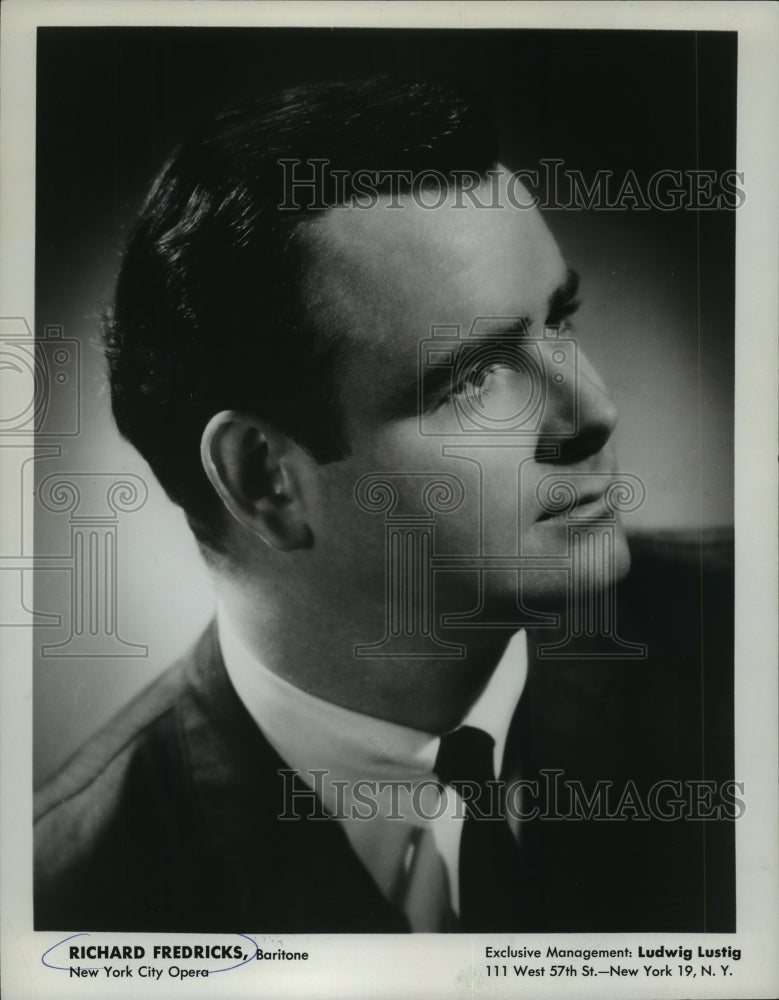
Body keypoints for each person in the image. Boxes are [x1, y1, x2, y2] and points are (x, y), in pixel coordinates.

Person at [34, 78, 734, 933]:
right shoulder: (70, 902)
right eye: (474, 377)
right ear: (266, 480)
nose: (590, 412)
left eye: (561, 320)